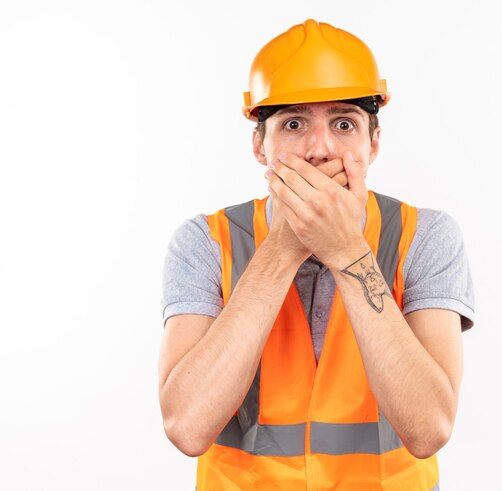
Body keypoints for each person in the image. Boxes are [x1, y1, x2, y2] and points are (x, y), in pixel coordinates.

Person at [158, 18, 475, 490]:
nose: (320, 148)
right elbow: (186, 427)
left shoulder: (425, 236)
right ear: (258, 145)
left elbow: (430, 428)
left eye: (344, 123)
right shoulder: (206, 242)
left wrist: (348, 251)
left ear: (374, 142)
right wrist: (284, 246)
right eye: (293, 123)